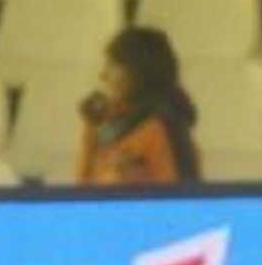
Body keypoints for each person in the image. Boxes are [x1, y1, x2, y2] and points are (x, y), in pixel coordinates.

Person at [78, 26, 200, 185]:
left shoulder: (164, 128)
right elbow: (83, 198)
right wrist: (91, 137)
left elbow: (181, 201)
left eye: (112, 65)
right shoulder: (114, 127)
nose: (103, 75)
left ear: (137, 70)